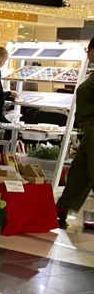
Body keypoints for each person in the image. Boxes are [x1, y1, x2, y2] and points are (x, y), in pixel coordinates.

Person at [55, 38, 94, 229]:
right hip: (89, 129)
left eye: (88, 50)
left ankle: (62, 208)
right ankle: (61, 209)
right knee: (79, 170)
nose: (88, 54)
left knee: (90, 170)